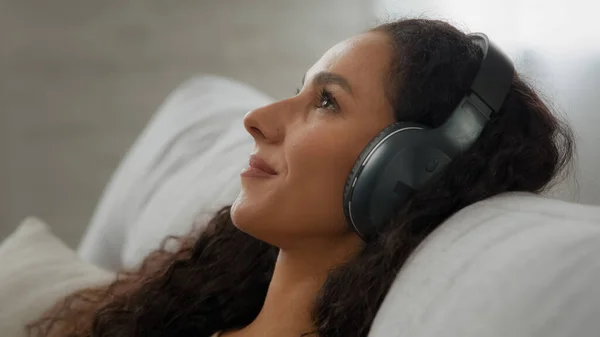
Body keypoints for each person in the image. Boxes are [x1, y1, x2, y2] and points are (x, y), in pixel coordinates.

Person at [29, 18, 573, 337]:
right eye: (302, 89)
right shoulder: (176, 312)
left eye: (326, 102)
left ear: (406, 168)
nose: (257, 120)